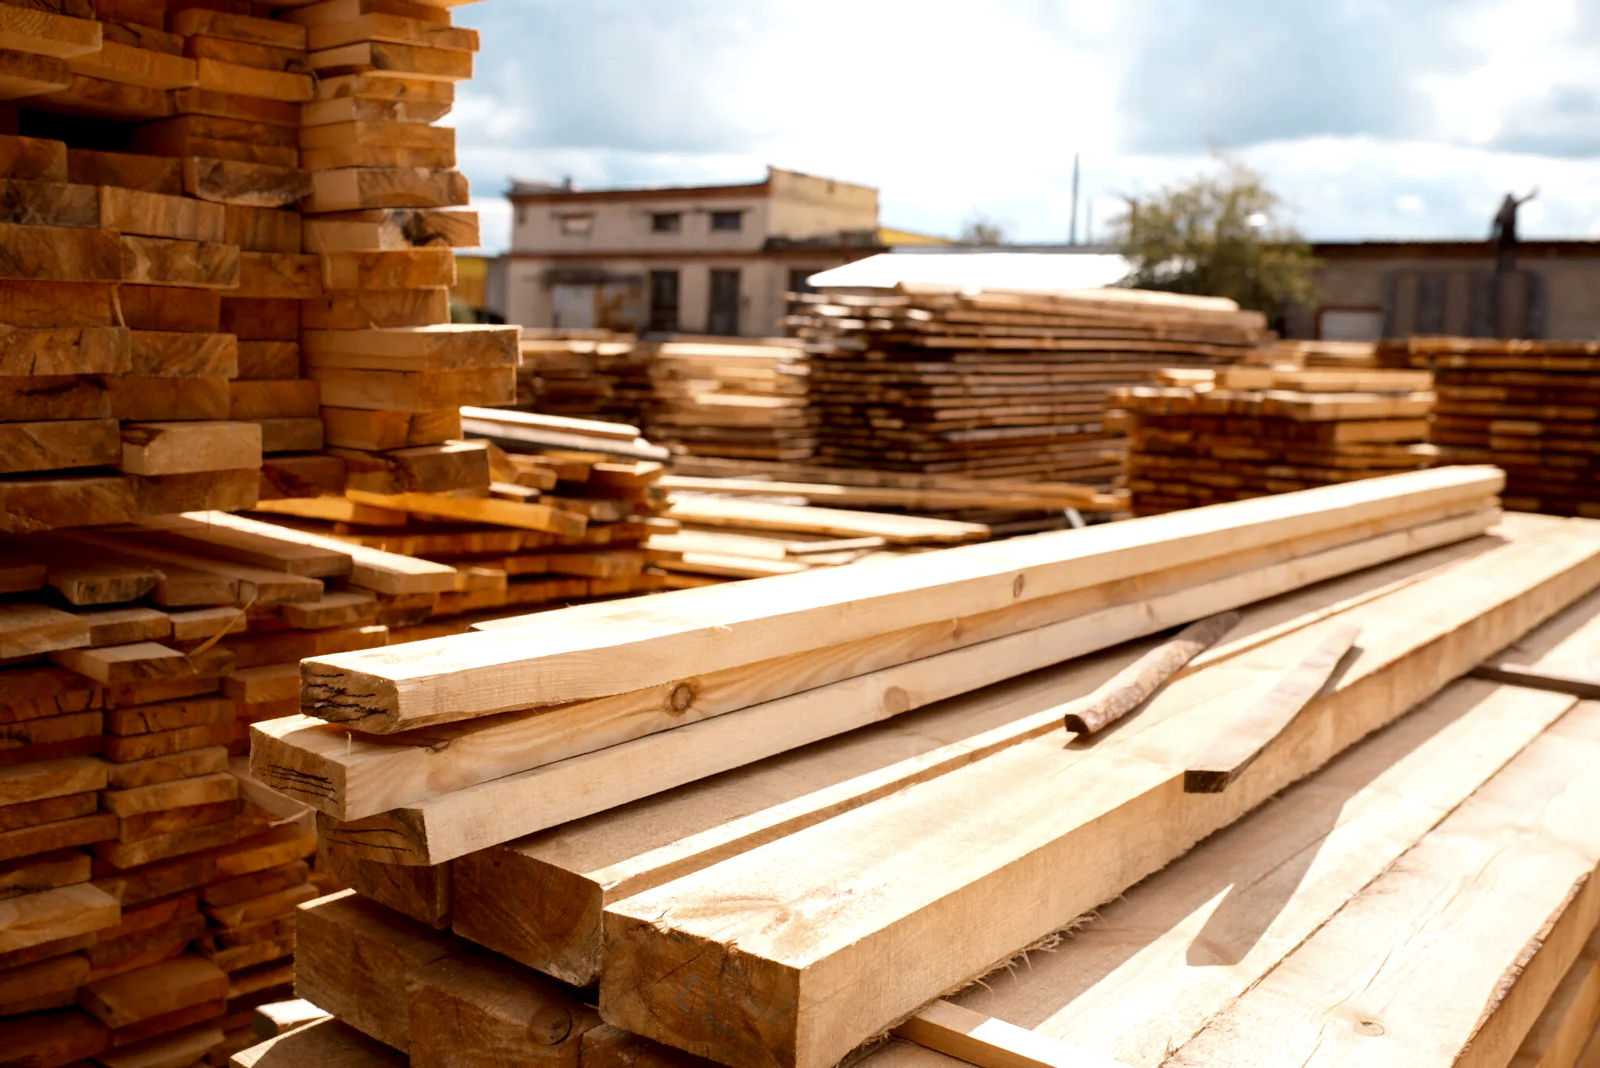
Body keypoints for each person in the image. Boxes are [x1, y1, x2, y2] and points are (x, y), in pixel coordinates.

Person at [1492, 189, 1538, 271]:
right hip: (1507, 231)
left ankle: (1505, 265)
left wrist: (1494, 234)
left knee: (1508, 247)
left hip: (1507, 232)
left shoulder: (1504, 208)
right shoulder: (1508, 206)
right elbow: (1496, 221)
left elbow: (1496, 222)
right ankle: (1503, 266)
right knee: (1508, 247)